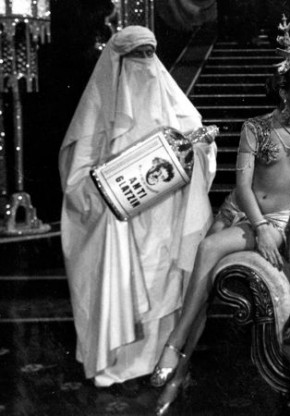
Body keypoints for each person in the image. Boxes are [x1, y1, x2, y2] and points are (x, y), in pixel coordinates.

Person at [149, 24, 290, 415]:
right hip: (239, 210)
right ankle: (179, 376)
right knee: (200, 283)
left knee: (208, 248)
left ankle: (174, 344)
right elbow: (243, 186)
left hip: (277, 220)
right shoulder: (256, 127)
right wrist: (257, 226)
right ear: (284, 93)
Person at [58, 26, 216, 388]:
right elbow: (76, 180)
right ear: (118, 62)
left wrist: (198, 148)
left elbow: (198, 143)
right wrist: (105, 189)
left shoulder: (172, 102)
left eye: (149, 54)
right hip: (118, 227)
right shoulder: (97, 113)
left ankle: (159, 357)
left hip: (167, 217)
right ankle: (119, 365)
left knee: (163, 284)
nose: (144, 63)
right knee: (127, 288)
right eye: (135, 56)